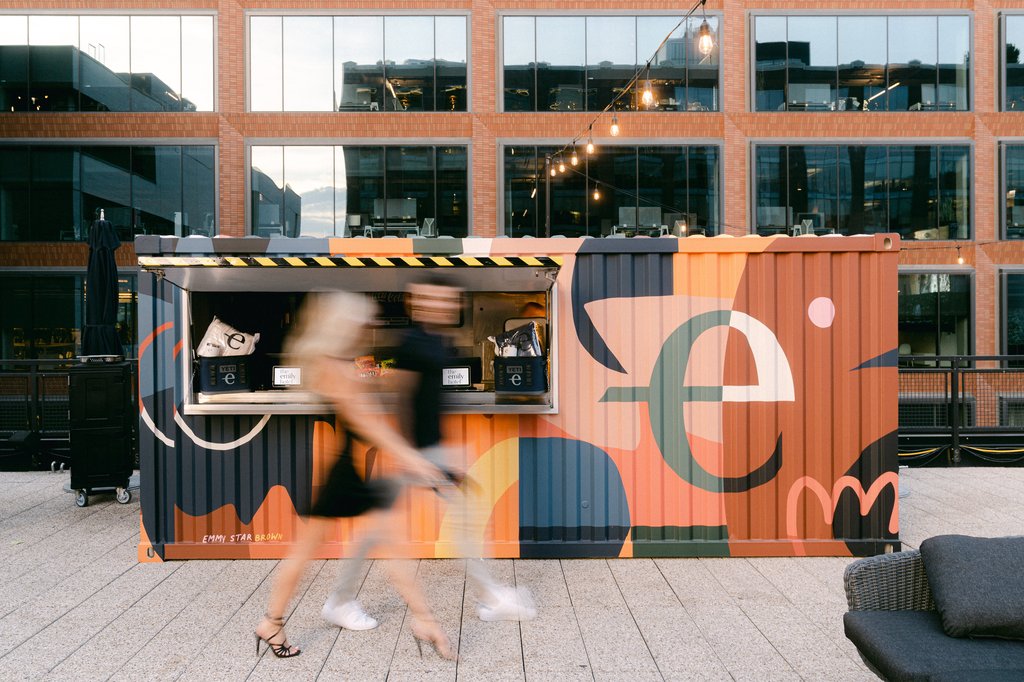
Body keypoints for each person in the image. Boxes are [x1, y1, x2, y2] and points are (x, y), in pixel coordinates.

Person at [323, 278, 536, 624]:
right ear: (416, 303)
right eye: (432, 300)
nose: (440, 306)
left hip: (430, 450)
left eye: (446, 300)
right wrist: (413, 455)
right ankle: (490, 596)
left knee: (432, 519)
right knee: (390, 526)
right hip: (418, 452)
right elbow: (402, 397)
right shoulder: (411, 343)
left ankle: (340, 600)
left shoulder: (439, 340)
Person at [255, 292, 456, 660]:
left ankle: (423, 621)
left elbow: (382, 372)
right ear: (344, 326)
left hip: (357, 469)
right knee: (314, 553)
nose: (370, 327)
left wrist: (407, 364)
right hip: (350, 473)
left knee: (385, 549)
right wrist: (414, 458)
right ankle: (272, 621)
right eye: (364, 322)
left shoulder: (347, 362)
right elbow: (367, 422)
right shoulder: (330, 367)